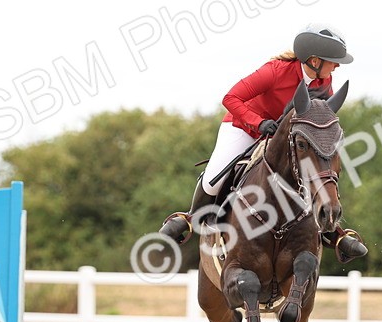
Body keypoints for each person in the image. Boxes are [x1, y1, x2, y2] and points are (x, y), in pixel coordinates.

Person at [157, 24, 368, 262]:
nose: (337, 65)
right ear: (314, 60)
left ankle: (334, 234)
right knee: (215, 177)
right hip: (245, 127)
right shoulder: (275, 71)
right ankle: (190, 218)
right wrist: (258, 123)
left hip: (284, 138)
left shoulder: (324, 81)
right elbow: (231, 98)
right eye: (333, 60)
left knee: (319, 174)